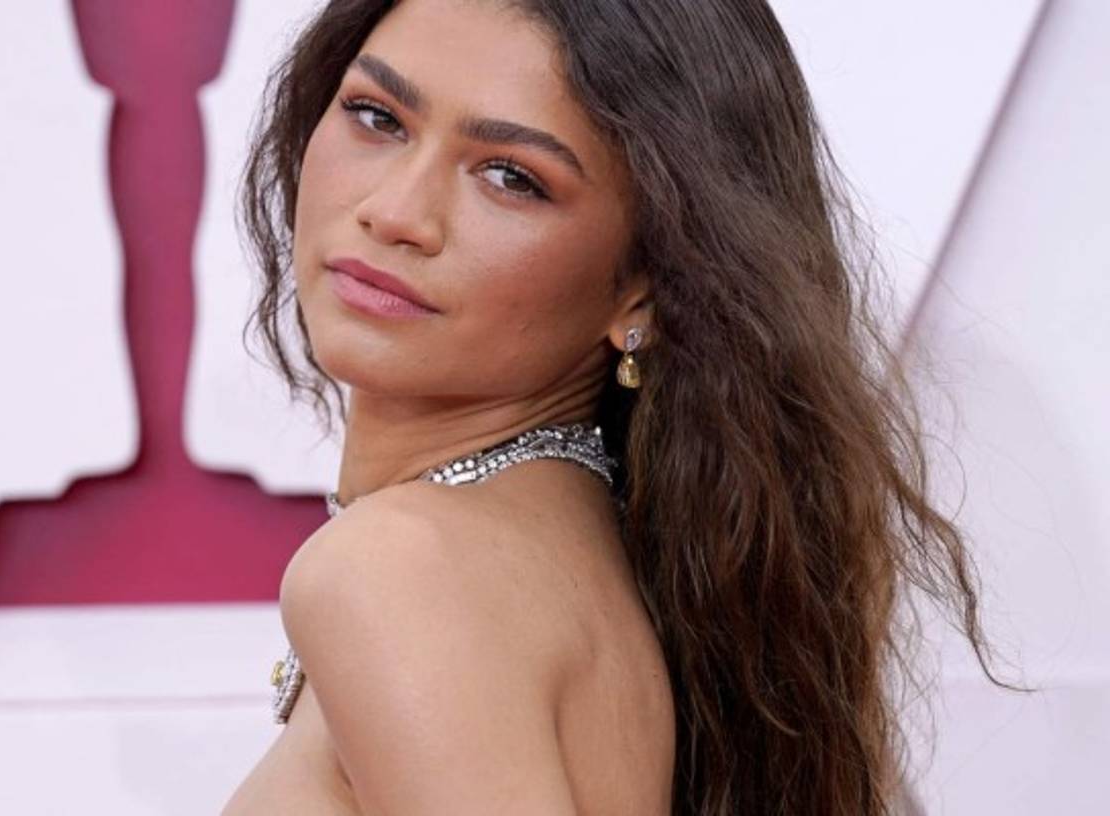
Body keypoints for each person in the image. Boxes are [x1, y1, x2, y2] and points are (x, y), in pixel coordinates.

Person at [222, 0, 1018, 813]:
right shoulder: (596, 561)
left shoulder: (398, 568)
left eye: (513, 178)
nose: (395, 212)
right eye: (375, 116)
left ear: (645, 288)